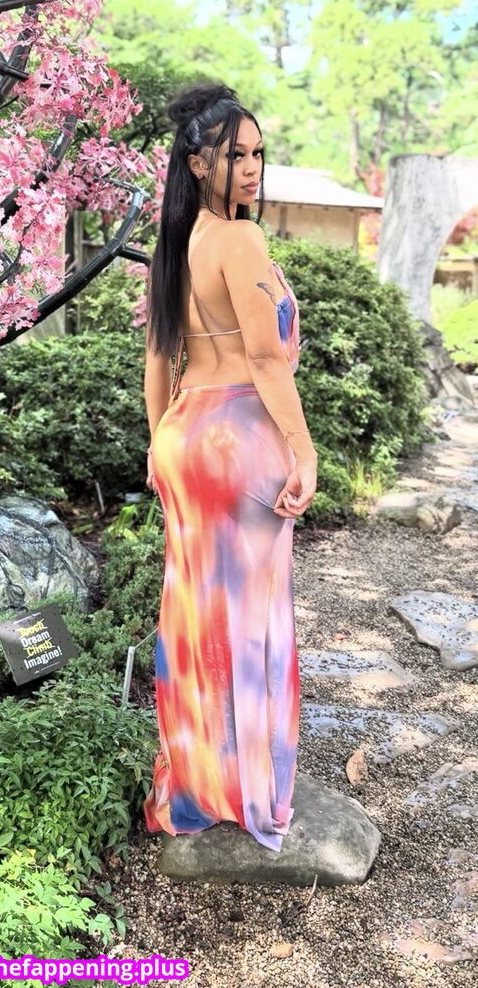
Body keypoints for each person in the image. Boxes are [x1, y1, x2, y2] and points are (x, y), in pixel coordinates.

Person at [142, 82, 318, 853]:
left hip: (185, 436)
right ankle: (247, 790)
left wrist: (158, 445)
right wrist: (304, 452)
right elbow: (267, 360)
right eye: (233, 155)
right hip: (238, 438)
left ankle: (198, 783)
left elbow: (158, 362)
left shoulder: (176, 244)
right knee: (248, 624)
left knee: (195, 619)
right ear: (197, 162)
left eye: (257, 154)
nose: (250, 168)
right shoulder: (239, 242)